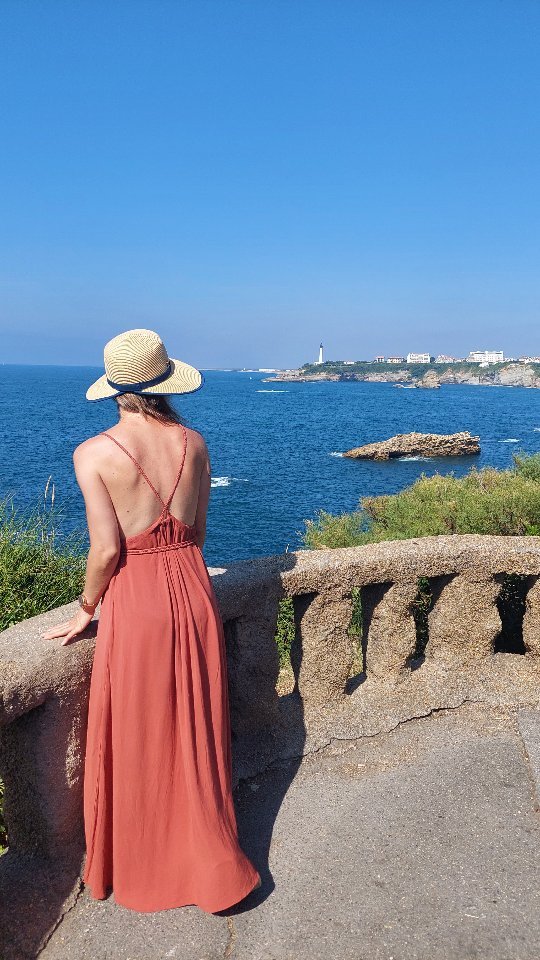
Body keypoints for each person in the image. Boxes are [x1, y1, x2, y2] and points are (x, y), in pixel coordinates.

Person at [41, 328, 261, 913]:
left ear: (115, 389)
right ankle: (209, 856)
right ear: (165, 382)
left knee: (140, 732)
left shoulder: (93, 454)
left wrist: (86, 609)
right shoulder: (195, 443)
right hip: (192, 588)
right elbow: (199, 532)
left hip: (135, 601)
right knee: (195, 724)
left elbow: (106, 550)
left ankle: (145, 862)